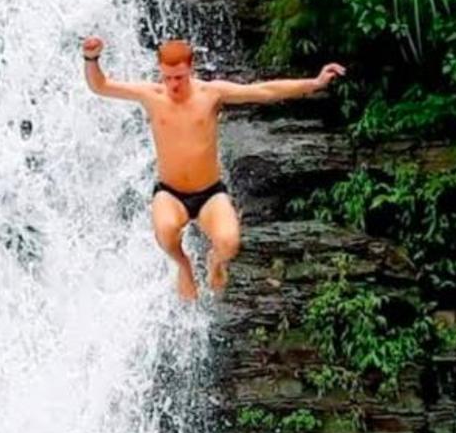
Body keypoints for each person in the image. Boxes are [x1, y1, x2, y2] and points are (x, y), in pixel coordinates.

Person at [82, 36, 346, 301]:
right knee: (164, 231)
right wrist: (91, 59)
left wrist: (314, 83)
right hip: (170, 193)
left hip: (210, 193)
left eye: (180, 77)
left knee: (229, 243)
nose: (174, 84)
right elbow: (100, 86)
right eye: (168, 77)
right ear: (160, 71)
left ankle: (215, 262)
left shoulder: (211, 94)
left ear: (191, 69)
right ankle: (184, 266)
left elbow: (264, 91)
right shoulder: (151, 96)